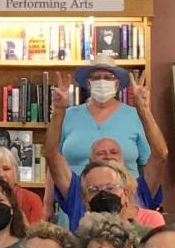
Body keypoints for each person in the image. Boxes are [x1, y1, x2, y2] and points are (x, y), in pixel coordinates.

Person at [47, 68, 168, 229]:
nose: (108, 156)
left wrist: (143, 109)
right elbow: (52, 155)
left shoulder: (139, 190)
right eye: (101, 153)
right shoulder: (77, 190)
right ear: (90, 161)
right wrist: (59, 111)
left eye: (113, 152)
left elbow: (160, 155)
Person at [58, 56, 154, 180]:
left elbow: (148, 164)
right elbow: (54, 161)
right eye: (96, 78)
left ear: (117, 84)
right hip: (75, 190)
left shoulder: (136, 116)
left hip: (124, 190)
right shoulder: (68, 116)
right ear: (88, 83)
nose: (102, 82)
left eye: (108, 77)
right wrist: (49, 194)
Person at [0, 145, 44, 225]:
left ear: (15, 172)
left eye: (6, 169)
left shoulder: (32, 199)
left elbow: (37, 232)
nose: (1, 174)